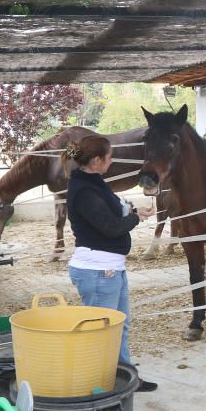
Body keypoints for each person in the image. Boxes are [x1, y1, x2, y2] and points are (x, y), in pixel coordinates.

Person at [63, 135, 158, 392]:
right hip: (97, 270)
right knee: (100, 331)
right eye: (109, 156)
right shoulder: (83, 191)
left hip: (110, 268)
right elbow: (111, 227)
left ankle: (125, 378)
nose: (111, 160)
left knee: (119, 325)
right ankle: (96, 387)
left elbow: (114, 210)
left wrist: (133, 210)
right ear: (96, 160)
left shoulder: (93, 182)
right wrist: (135, 219)